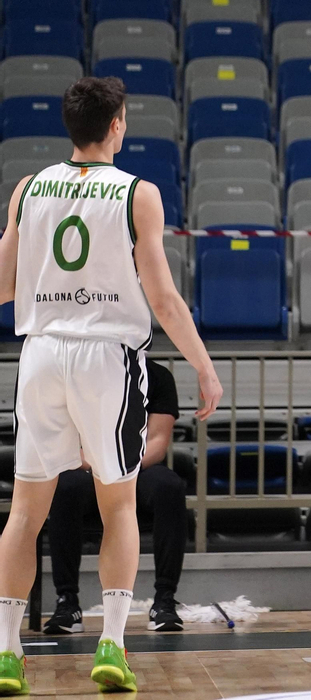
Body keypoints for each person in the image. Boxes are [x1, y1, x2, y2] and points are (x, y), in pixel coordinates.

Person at [0, 75, 223, 695]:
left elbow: (2, 286)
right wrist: (203, 365)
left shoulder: (27, 190)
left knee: (24, 513)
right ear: (117, 125)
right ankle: (113, 645)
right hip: (106, 355)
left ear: (69, 127)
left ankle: (7, 653)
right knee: (118, 503)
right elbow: (163, 297)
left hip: (41, 352)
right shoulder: (138, 194)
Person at [45, 360, 189, 634]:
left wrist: (121, 469)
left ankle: (164, 600)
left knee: (170, 487)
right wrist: (99, 467)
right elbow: (68, 439)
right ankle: (67, 601)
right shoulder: (78, 373)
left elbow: (157, 443)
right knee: (65, 487)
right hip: (89, 467)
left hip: (136, 468)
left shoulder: (157, 376)